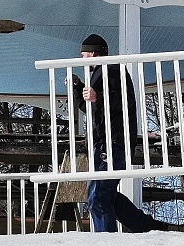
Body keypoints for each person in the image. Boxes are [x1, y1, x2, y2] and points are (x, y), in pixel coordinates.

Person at [71, 33, 169, 232]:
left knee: (98, 196)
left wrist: (98, 96)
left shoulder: (113, 68)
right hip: (106, 142)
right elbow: (93, 107)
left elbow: (124, 100)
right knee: (107, 194)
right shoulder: (101, 73)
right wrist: (78, 88)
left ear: (92, 54)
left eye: (83, 55)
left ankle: (107, 243)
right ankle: (144, 225)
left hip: (113, 141)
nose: (82, 60)